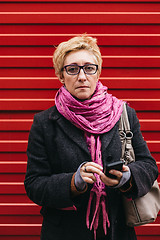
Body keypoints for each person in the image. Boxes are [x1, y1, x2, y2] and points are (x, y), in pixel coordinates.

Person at [24, 35, 158, 240]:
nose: (82, 76)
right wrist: (73, 182)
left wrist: (127, 177)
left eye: (89, 68)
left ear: (98, 72)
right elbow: (34, 184)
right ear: (61, 76)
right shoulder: (44, 123)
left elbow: (149, 165)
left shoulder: (124, 113)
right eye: (72, 69)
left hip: (117, 230)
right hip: (64, 232)